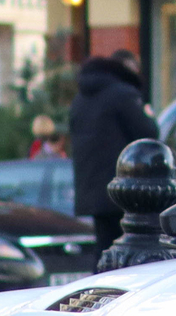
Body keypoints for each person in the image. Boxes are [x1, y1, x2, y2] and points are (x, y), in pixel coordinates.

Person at [68, 49, 159, 249]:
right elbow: (149, 133)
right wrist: (149, 114)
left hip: (92, 191)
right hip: (124, 191)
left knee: (104, 251)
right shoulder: (123, 94)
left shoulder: (81, 99)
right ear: (128, 68)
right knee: (132, 253)